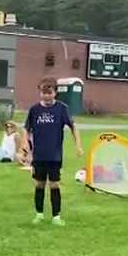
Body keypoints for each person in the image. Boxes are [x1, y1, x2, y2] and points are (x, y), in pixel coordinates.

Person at [26, 77, 83, 226]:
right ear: (40, 93)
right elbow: (26, 129)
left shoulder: (61, 108)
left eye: (50, 93)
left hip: (54, 155)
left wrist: (78, 145)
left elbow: (73, 126)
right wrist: (25, 146)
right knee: (39, 184)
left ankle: (56, 216)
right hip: (39, 155)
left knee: (54, 185)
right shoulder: (34, 110)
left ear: (55, 93)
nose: (47, 96)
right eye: (44, 93)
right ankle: (39, 214)